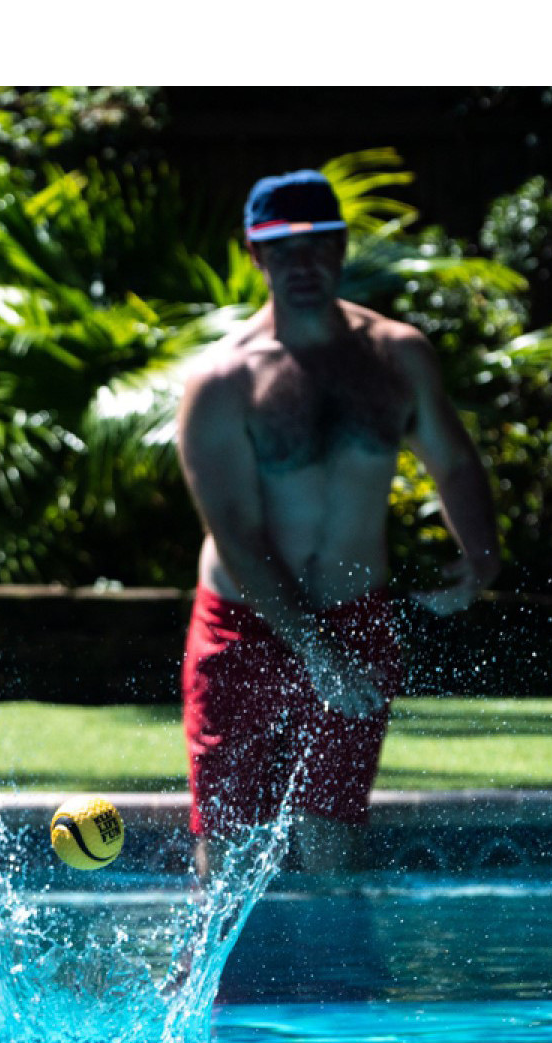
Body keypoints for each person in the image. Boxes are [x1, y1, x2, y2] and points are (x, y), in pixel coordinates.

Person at [179, 169, 502, 880]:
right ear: (256, 255)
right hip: (242, 625)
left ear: (342, 248)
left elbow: (452, 460)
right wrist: (315, 651)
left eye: (317, 246)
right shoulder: (223, 382)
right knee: (229, 850)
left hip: (354, 616)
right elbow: (236, 535)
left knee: (332, 847)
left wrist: (481, 555)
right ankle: (224, 960)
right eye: (282, 249)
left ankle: (334, 960)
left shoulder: (396, 358)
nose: (301, 265)